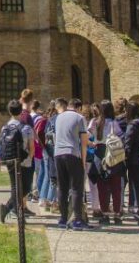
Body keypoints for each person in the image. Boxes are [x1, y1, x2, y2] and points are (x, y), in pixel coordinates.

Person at [53, 97, 91, 231]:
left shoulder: (58, 117)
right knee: (76, 187)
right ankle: (77, 220)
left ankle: (63, 219)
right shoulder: (80, 118)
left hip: (58, 154)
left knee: (62, 187)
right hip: (72, 153)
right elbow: (84, 142)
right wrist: (83, 160)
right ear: (79, 108)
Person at [0, 100, 35, 223]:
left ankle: (11, 209)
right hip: (24, 162)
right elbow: (32, 148)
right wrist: (29, 158)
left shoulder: (4, 127)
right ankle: (13, 210)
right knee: (25, 188)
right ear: (21, 111)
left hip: (10, 160)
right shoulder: (26, 128)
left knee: (15, 187)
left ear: (9, 111)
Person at [90, 99, 124, 224]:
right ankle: (117, 214)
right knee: (115, 187)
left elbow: (91, 136)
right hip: (112, 153)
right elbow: (120, 136)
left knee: (102, 187)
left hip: (99, 154)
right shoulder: (113, 123)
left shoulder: (96, 122)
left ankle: (104, 214)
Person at [36, 101, 57, 212]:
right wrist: (44, 146)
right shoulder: (48, 120)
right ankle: (45, 198)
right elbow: (39, 133)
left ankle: (43, 198)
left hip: (47, 149)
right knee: (49, 175)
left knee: (46, 174)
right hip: (49, 150)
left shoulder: (47, 119)